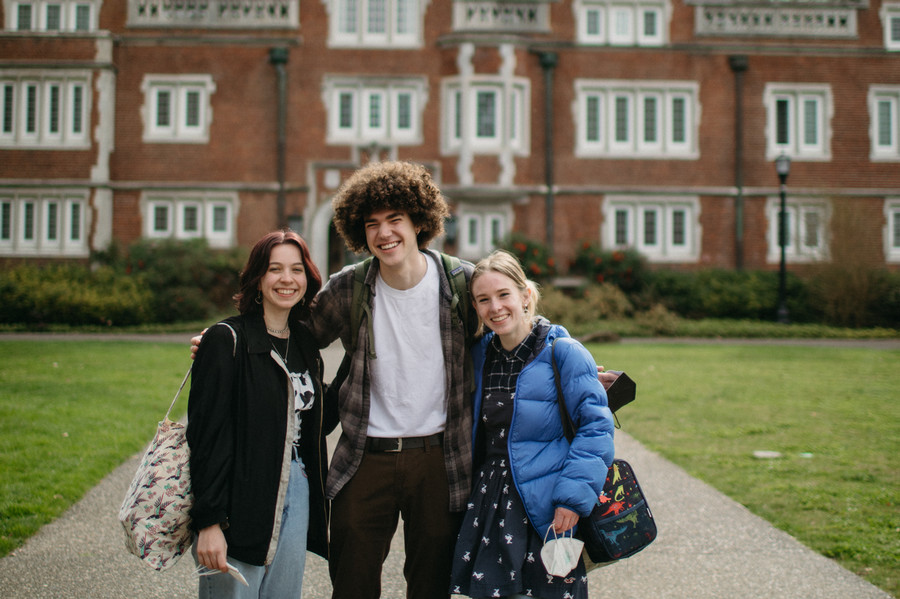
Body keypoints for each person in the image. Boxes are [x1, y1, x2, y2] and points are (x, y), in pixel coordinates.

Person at [306, 160, 477, 599]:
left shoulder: (461, 282)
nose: (384, 233)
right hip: (365, 457)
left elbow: (516, 322)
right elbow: (295, 336)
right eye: (372, 224)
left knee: (431, 586)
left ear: (419, 221)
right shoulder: (349, 287)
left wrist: (571, 359)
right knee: (352, 584)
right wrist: (227, 339)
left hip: (439, 459)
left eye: (394, 220)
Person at [449, 250, 616, 599]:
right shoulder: (479, 355)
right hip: (491, 502)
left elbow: (596, 428)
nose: (495, 307)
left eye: (503, 295)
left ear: (526, 296)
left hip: (547, 505)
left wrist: (571, 499)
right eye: (483, 299)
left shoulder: (564, 352)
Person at [187, 230, 334, 599]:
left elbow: (317, 421)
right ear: (257, 279)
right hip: (241, 497)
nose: (287, 279)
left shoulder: (304, 344)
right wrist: (209, 523)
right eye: (275, 269)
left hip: (297, 488)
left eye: (297, 270)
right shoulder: (226, 339)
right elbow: (207, 439)